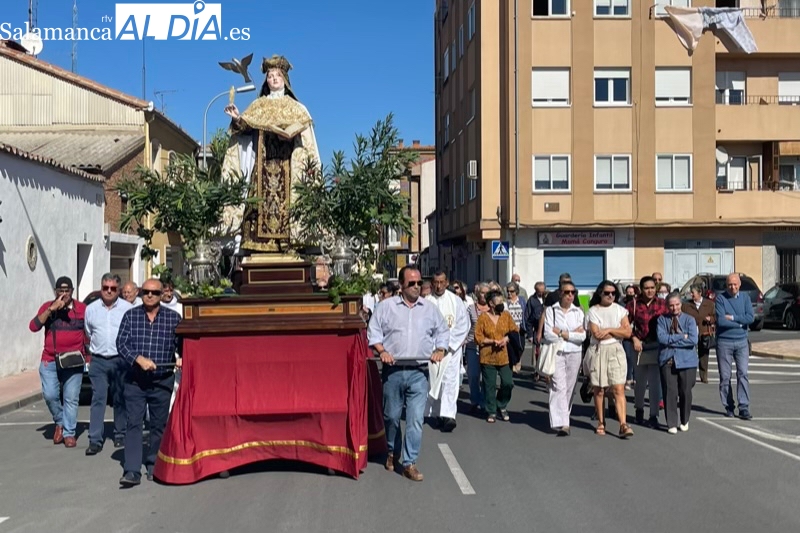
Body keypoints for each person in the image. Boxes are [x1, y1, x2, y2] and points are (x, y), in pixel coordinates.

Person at [222, 54, 321, 253]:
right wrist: (236, 119)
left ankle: (289, 243)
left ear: (285, 78)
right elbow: (245, 130)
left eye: (277, 75)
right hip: (263, 168)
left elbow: (307, 142)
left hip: (288, 168)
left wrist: (291, 136)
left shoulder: (297, 108)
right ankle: (258, 247)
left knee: (289, 206)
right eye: (269, 76)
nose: (273, 79)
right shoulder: (259, 105)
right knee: (258, 206)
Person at [367, 265, 449, 482]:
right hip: (393, 371)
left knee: (414, 420)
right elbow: (373, 332)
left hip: (419, 372)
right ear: (401, 285)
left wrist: (440, 349)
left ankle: (410, 462)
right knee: (391, 417)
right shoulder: (386, 307)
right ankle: (393, 451)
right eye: (411, 283)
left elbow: (443, 331)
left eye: (419, 282)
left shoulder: (429, 309)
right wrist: (382, 351)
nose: (416, 286)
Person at [116, 278, 182, 487]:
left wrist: (181, 357)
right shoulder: (130, 316)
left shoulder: (173, 318)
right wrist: (138, 359)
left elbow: (182, 344)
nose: (150, 295)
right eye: (146, 292)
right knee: (134, 423)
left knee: (158, 425)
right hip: (135, 380)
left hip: (162, 380)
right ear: (140, 293)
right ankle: (132, 470)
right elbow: (121, 343)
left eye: (154, 292)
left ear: (162, 294)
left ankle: (155, 464)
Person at [29, 276, 87, 448]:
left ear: (72, 292)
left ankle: (69, 433)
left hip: (74, 360)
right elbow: (33, 327)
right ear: (55, 292)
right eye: (60, 291)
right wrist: (51, 310)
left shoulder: (82, 309)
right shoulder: (48, 307)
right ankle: (60, 422)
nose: (63, 294)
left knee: (71, 398)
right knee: (50, 395)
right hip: (50, 359)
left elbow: (90, 331)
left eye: (66, 291)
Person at [84, 273, 133, 455]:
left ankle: (120, 434)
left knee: (120, 398)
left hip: (120, 360)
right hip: (98, 360)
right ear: (101, 288)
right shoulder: (91, 309)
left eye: (113, 288)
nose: (109, 291)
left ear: (118, 290)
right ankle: (95, 439)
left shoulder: (127, 308)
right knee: (98, 399)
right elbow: (89, 333)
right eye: (106, 288)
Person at [586, 280, 634, 438]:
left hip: (615, 350)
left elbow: (627, 333)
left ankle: (623, 424)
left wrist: (609, 329)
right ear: (600, 293)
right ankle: (601, 422)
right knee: (599, 389)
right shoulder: (593, 311)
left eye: (613, 293)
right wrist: (617, 330)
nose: (611, 296)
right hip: (599, 350)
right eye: (607, 293)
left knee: (618, 388)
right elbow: (596, 334)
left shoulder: (621, 310)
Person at [425, 271, 470, 433]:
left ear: (446, 282)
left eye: (441, 282)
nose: (438, 285)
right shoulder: (426, 302)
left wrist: (447, 346)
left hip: (450, 351)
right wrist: (433, 346)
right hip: (432, 350)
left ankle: (449, 415)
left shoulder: (455, 300)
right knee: (435, 381)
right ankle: (436, 414)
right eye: (435, 282)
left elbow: (462, 325)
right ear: (432, 283)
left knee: (450, 382)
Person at [542, 282, 586, 436]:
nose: (570, 295)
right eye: (567, 292)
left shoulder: (579, 312)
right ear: (560, 293)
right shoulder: (551, 311)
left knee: (569, 387)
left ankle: (564, 417)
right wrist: (570, 333)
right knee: (558, 386)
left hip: (575, 352)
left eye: (573, 292)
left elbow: (582, 336)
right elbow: (548, 334)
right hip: (557, 352)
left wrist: (562, 333)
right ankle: (563, 423)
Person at [627, 276, 668, 427]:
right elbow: (625, 325)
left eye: (652, 287)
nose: (650, 290)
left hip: (656, 346)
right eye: (646, 288)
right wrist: (633, 338)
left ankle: (653, 415)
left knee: (655, 382)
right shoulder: (633, 305)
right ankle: (638, 410)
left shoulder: (663, 304)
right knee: (640, 382)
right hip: (639, 346)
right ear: (641, 289)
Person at [474, 291, 518, 423]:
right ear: (491, 304)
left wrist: (506, 338)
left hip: (504, 356)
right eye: (498, 302)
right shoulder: (483, 318)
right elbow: (478, 337)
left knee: (508, 383)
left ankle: (501, 404)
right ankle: (491, 410)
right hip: (487, 356)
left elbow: (514, 330)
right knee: (489, 385)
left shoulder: (506, 316)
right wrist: (492, 341)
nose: (501, 305)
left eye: (502, 302)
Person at [658, 292, 699, 434]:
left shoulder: (690, 320)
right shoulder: (662, 320)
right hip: (668, 359)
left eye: (677, 305)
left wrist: (673, 340)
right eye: (671, 305)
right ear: (667, 306)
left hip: (687, 360)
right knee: (670, 392)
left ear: (681, 304)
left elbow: (693, 340)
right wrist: (682, 336)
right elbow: (662, 338)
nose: (674, 308)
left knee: (685, 391)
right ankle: (671, 423)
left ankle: (684, 420)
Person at [715, 273, 754, 419]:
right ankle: (728, 406)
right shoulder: (720, 299)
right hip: (724, 342)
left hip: (742, 341)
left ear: (739, 284)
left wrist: (732, 317)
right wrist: (740, 322)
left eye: (735, 284)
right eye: (730, 284)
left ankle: (743, 406)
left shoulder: (745, 298)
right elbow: (721, 321)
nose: (733, 287)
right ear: (726, 285)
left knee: (742, 374)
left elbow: (750, 317)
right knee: (725, 376)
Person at [682, 283, 716, 384]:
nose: (691, 295)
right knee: (690, 353)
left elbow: (716, 317)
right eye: (691, 293)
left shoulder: (709, 304)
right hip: (690, 333)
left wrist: (711, 319)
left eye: (693, 293)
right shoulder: (686, 305)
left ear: (700, 293)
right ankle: (689, 375)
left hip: (704, 332)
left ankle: (704, 375)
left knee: (704, 355)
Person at [465, 283, 490, 413]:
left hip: (489, 347)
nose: (484, 295)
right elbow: (465, 326)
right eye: (482, 292)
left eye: (486, 293)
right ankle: (475, 399)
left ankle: (485, 402)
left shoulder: (493, 309)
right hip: (472, 346)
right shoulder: (470, 308)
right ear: (477, 293)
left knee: (487, 376)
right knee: (473, 375)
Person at [505, 281, 527, 374]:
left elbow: (526, 313)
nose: (509, 293)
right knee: (511, 347)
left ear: (516, 292)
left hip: (520, 328)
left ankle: (517, 360)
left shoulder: (521, 300)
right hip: (510, 329)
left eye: (512, 291)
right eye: (508, 291)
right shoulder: (506, 302)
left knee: (521, 347)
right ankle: (512, 364)